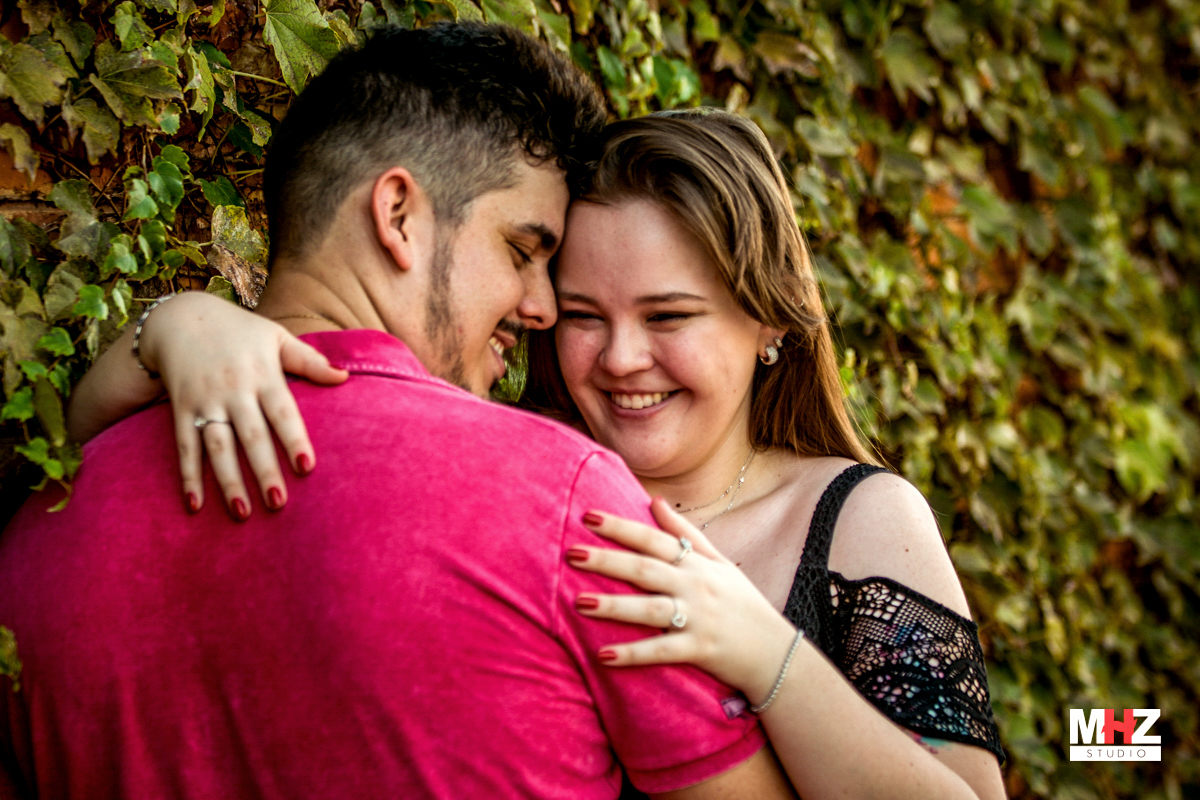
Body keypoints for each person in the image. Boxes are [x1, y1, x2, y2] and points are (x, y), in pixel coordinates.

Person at [63, 111, 1008, 799]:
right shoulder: (510, 482)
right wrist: (179, 323)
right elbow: (72, 448)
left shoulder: (857, 518)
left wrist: (765, 651)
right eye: (585, 317)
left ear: (766, 321)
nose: (621, 358)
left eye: (669, 317)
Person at [0, 26, 796, 799]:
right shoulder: (562, 499)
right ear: (398, 215)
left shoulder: (39, 529)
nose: (543, 307)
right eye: (523, 251)